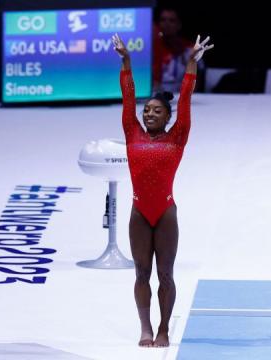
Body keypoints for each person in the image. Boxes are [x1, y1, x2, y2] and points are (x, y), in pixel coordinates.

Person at [112, 33, 213, 347]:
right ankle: (145, 327)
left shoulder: (177, 136)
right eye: (147, 111)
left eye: (156, 111)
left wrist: (191, 64)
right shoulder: (132, 133)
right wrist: (126, 61)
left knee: (165, 275)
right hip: (139, 212)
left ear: (168, 118)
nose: (149, 114)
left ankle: (164, 328)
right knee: (142, 273)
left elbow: (185, 99)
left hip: (166, 212)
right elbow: (128, 97)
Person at [153, 8, 205, 93]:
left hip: (184, 96)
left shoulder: (191, 49)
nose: (167, 24)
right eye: (163, 20)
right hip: (156, 98)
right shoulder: (150, 50)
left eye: (171, 20)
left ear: (179, 25)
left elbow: (198, 81)